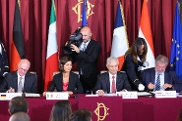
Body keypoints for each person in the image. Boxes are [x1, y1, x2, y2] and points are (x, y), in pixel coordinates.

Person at [69, 26, 101, 93]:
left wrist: (78, 51)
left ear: (90, 35)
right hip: (79, 76)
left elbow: (91, 59)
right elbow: (73, 59)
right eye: (81, 35)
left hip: (91, 77)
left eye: (85, 35)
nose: (83, 38)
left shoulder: (96, 45)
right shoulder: (77, 43)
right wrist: (69, 50)